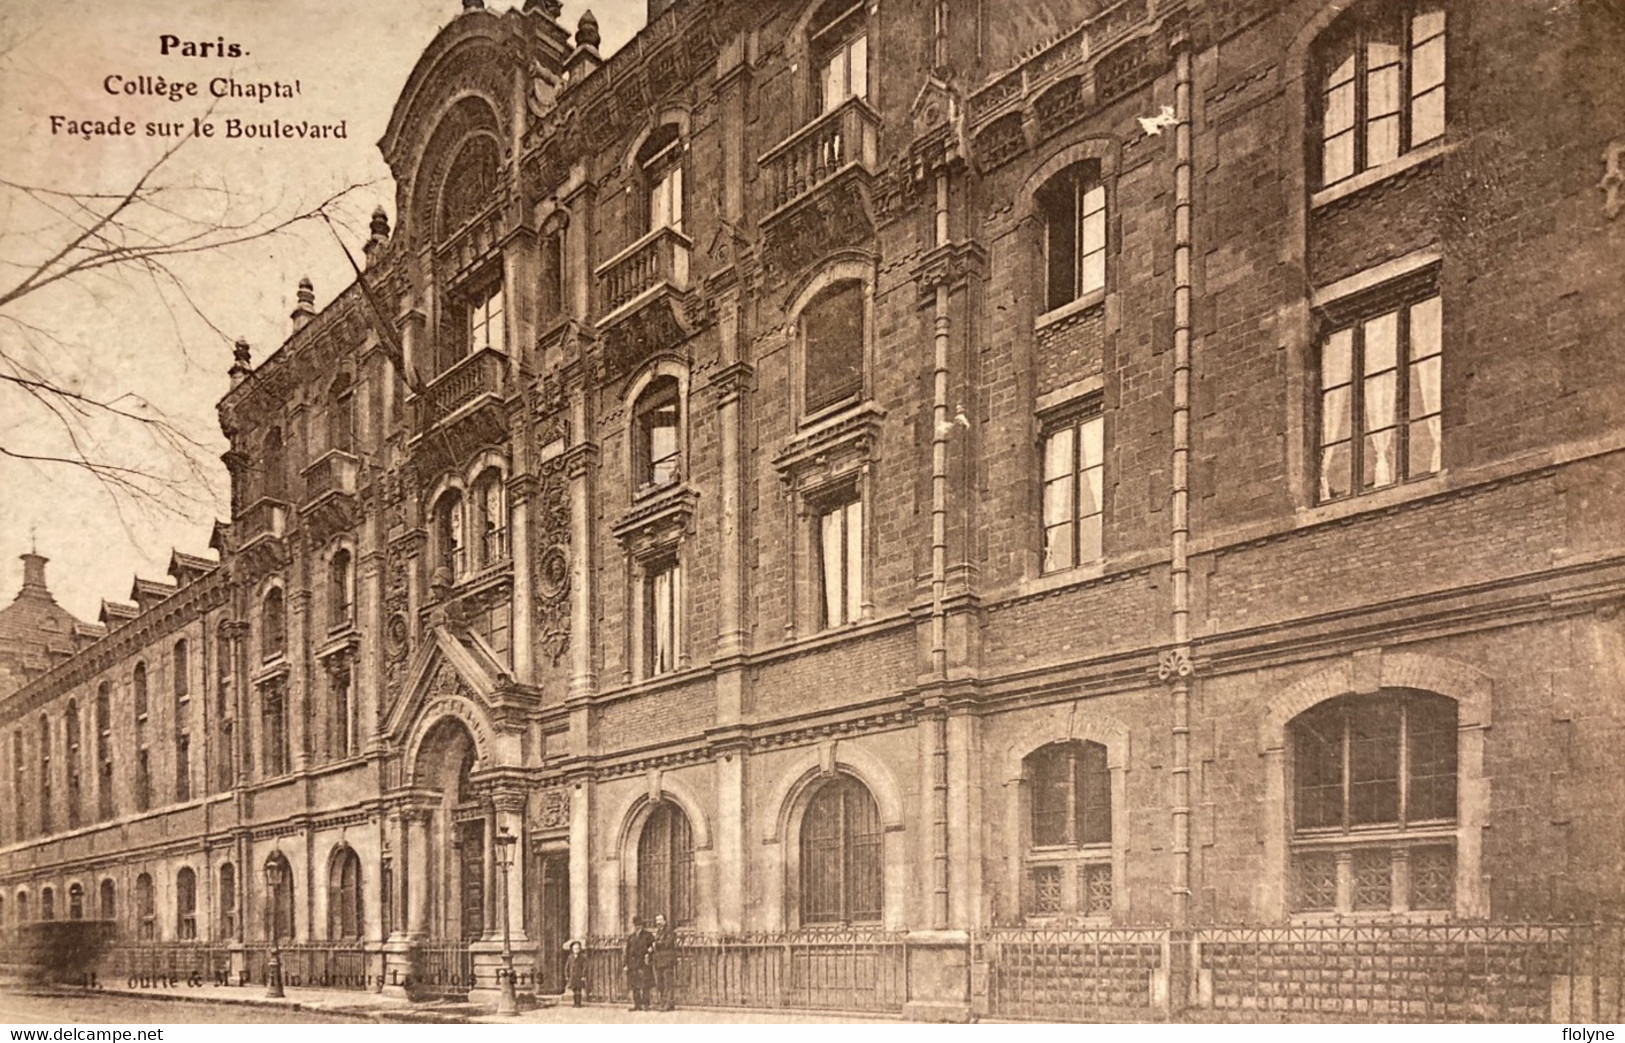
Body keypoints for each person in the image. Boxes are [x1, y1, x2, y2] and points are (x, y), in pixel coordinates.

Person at [623, 917, 654, 1011]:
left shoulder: (648, 935)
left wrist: (649, 955)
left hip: (643, 963)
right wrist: (625, 964)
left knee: (645, 985)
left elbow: (652, 948)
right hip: (632, 964)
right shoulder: (631, 937)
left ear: (642, 925)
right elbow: (627, 951)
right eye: (636, 925)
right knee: (634, 985)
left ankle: (646, 1004)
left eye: (639, 925)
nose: (637, 927)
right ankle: (637, 1004)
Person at [650, 912, 678, 1011]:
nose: (658, 923)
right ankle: (662, 1002)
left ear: (665, 921)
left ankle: (669, 1003)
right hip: (658, 960)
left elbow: (667, 943)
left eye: (660, 920)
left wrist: (655, 945)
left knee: (668, 983)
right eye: (657, 921)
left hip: (667, 960)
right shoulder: (658, 932)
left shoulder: (670, 931)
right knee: (660, 983)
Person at [563, 940, 587, 1008]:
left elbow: (585, 967)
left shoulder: (582, 957)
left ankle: (578, 1003)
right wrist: (567, 975)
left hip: (579, 976)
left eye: (577, 948)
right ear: (572, 949)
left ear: (580, 949)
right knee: (574, 990)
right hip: (572, 976)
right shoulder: (570, 957)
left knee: (578, 990)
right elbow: (567, 966)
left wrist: (583, 975)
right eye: (574, 949)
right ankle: (575, 1003)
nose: (576, 950)